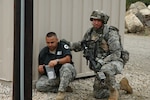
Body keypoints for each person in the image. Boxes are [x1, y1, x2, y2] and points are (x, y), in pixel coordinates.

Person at [62, 10, 133, 100]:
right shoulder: (90, 32)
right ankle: (122, 86)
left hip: (115, 61)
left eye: (98, 20)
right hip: (99, 64)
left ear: (103, 21)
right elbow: (82, 45)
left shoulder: (110, 33)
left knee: (105, 69)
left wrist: (102, 62)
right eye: (94, 20)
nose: (95, 22)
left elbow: (116, 53)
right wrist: (69, 44)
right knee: (98, 94)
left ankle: (113, 92)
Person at [36, 32, 76, 100]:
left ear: (57, 40)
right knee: (39, 86)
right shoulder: (43, 52)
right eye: (48, 43)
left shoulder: (63, 46)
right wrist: (40, 69)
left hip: (65, 74)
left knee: (66, 67)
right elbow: (42, 68)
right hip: (53, 76)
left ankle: (61, 92)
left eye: (52, 42)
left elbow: (68, 59)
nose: (50, 44)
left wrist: (57, 61)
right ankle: (61, 87)